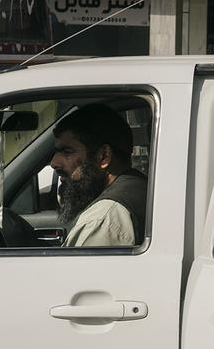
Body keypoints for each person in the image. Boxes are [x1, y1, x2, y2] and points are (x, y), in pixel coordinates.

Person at [50, 103, 147, 247]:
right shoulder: (139, 185)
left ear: (104, 156)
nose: (54, 163)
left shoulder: (102, 220)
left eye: (67, 151)